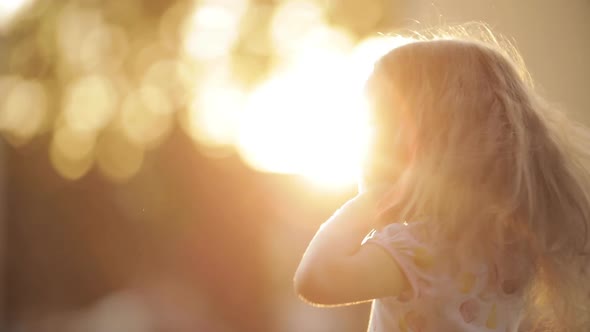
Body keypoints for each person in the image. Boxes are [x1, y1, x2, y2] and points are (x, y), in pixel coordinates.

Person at [294, 29, 590, 332]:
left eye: (373, 124)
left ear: (414, 142)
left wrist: (372, 200)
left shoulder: (420, 252)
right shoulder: (514, 250)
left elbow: (318, 279)